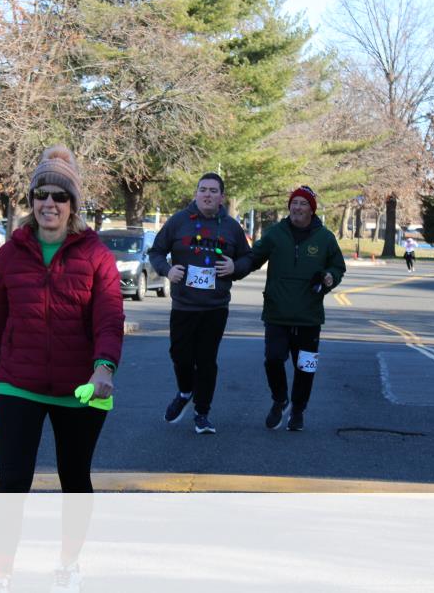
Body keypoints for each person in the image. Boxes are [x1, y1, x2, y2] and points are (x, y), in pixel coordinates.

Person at [0, 145, 123, 591]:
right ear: (31, 200)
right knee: (12, 479)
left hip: (80, 388)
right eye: (42, 194)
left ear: (73, 204)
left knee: (74, 479)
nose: (49, 203)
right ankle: (0, 575)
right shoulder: (10, 254)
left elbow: (109, 318)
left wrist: (104, 368)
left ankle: (68, 566)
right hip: (18, 382)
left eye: (60, 196)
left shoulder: (96, 255)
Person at [234, 186, 346, 431]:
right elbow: (253, 258)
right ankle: (280, 399)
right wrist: (233, 270)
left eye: (303, 203)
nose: (297, 207)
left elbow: (338, 266)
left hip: (309, 316)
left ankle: (298, 410)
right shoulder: (276, 233)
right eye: (294, 202)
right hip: (277, 313)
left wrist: (331, 276)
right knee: (273, 360)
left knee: (306, 367)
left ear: (311, 209)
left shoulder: (325, 238)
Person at [148, 172, 252, 434]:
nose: (207, 195)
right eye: (203, 189)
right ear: (196, 193)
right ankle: (185, 392)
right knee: (180, 355)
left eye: (213, 191)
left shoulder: (231, 227)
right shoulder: (179, 221)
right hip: (184, 305)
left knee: (206, 361)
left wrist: (235, 267)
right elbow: (156, 251)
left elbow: (247, 259)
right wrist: (167, 270)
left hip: (215, 306)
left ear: (221, 197)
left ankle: (202, 413)